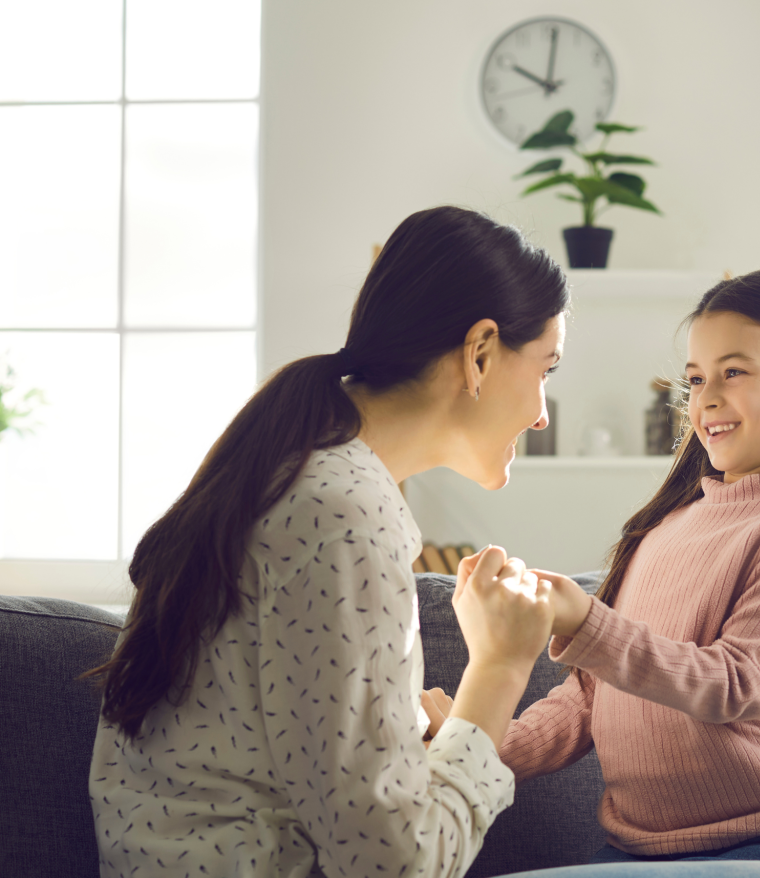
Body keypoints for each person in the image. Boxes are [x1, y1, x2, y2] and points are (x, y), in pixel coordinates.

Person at [82, 205, 569, 878]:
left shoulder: (305, 476)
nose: (543, 409)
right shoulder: (344, 514)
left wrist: (420, 744)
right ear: (480, 351)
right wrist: (501, 667)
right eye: (546, 367)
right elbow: (393, 866)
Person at [489, 262, 760, 878]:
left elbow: (741, 684)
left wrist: (587, 621)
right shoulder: (668, 525)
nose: (708, 399)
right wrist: (480, 745)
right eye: (696, 379)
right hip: (640, 849)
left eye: (734, 372)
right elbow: (592, 695)